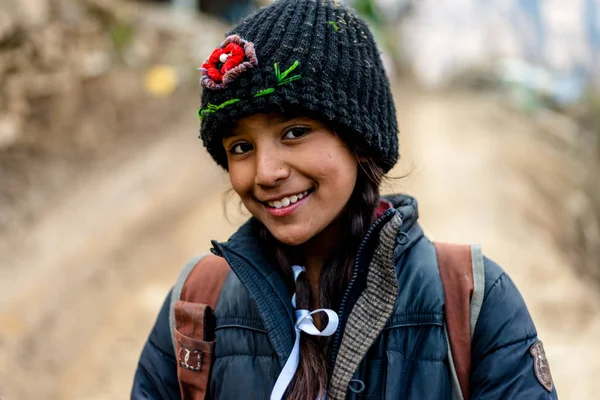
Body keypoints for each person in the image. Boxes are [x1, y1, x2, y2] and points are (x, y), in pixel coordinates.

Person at [132, 0, 558, 399]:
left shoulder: (472, 301)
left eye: (295, 132)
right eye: (240, 147)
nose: (265, 173)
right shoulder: (197, 302)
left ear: (360, 141)